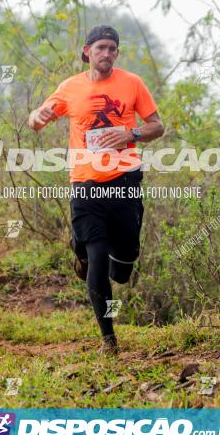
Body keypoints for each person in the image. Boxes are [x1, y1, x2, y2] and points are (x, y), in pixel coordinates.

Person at [27, 25, 164, 354]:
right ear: (87, 51)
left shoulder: (132, 83)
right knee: (98, 258)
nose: (107, 53)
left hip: (125, 181)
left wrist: (130, 134)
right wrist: (36, 114)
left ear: (117, 53)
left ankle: (93, 251)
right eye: (101, 47)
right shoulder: (70, 88)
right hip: (85, 184)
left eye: (112, 49)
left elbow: (157, 126)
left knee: (124, 265)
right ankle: (109, 340)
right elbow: (36, 122)